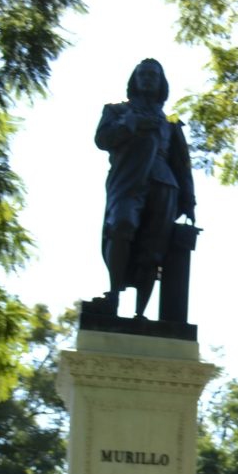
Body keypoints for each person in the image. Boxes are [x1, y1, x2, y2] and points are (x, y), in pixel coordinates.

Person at [95, 58, 197, 320]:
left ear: (161, 82)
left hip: (164, 185)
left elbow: (182, 163)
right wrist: (129, 124)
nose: (148, 78)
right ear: (135, 79)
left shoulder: (171, 121)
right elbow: (102, 140)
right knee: (121, 225)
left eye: (153, 75)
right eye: (143, 74)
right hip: (127, 179)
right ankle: (113, 295)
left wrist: (189, 201)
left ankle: (140, 313)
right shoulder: (117, 110)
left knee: (153, 248)